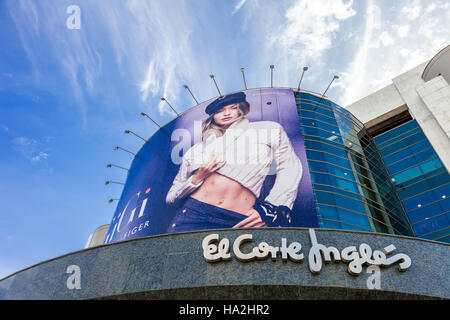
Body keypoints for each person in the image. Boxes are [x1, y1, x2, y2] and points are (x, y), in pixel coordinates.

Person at [165, 91, 302, 233]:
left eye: (233, 108)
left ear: (241, 109)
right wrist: (197, 177)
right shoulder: (196, 150)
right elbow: (171, 197)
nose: (226, 113)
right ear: (213, 116)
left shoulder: (268, 129)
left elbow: (290, 167)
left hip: (241, 220)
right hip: (193, 215)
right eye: (219, 111)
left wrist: (272, 207)